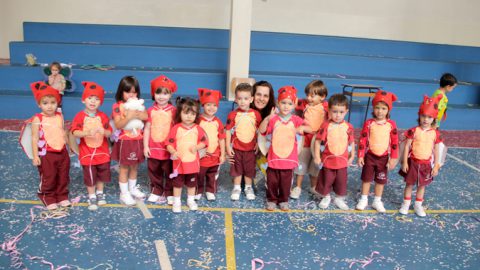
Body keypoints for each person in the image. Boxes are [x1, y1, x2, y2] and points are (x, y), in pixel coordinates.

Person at [259, 86, 310, 211]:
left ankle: (283, 200)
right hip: (274, 157)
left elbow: (310, 129)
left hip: (289, 159)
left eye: (289, 103)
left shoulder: (296, 120)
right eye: (283, 103)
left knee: (286, 182)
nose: (286, 106)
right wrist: (267, 118)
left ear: (294, 105)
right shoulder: (274, 119)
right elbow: (262, 131)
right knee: (271, 181)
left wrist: (301, 129)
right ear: (277, 103)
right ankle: (271, 199)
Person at [399, 94, 444, 217]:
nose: (426, 119)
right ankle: (406, 204)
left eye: (429, 117)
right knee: (409, 184)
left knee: (422, 186)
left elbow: (436, 150)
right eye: (423, 116)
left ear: (433, 119)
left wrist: (436, 165)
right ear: (419, 116)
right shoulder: (414, 131)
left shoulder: (435, 133)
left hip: (426, 164)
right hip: (413, 162)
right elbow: (407, 146)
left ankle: (418, 205)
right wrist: (404, 162)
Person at [29, 81, 70, 210]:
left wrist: (69, 147)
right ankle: (48, 196)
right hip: (47, 154)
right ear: (39, 104)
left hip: (62, 152)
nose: (49, 106)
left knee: (63, 176)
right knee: (49, 176)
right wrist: (35, 156)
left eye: (53, 103)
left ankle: (62, 196)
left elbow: (63, 132)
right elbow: (34, 137)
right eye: (45, 103)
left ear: (57, 103)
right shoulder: (38, 119)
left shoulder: (60, 116)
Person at [355, 90, 399, 213]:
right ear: (373, 108)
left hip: (384, 158)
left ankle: (377, 200)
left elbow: (394, 143)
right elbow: (363, 140)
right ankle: (364, 199)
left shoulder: (391, 124)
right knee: (366, 178)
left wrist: (394, 158)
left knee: (380, 180)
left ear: (388, 110)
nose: (380, 111)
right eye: (377, 108)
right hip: (370, 156)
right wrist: (360, 156)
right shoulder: (369, 123)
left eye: (384, 108)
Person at [71, 82, 112, 211]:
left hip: (102, 152)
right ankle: (92, 195)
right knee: (90, 175)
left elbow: (109, 132)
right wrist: (86, 133)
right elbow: (74, 132)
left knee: (101, 174)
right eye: (90, 98)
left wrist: (103, 131)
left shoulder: (103, 116)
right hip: (87, 153)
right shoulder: (80, 116)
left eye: (97, 99)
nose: (93, 102)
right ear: (83, 100)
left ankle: (100, 193)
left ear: (100, 102)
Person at [166, 98, 208, 213]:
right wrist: (173, 152)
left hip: (192, 164)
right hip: (178, 164)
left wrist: (197, 147)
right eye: (186, 113)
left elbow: (204, 142)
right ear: (180, 113)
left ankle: (190, 200)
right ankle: (177, 202)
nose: (189, 116)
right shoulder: (176, 128)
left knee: (191, 184)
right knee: (177, 184)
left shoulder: (198, 129)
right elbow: (169, 144)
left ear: (196, 115)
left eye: (192, 114)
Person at [111, 76, 148, 206]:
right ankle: (124, 193)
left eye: (134, 92)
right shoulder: (117, 106)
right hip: (125, 141)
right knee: (124, 168)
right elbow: (119, 124)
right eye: (127, 92)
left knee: (135, 166)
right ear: (121, 92)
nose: (131, 95)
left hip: (138, 139)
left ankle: (132, 188)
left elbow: (145, 116)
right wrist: (130, 116)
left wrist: (136, 113)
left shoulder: (139, 104)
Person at [314, 94, 355, 210]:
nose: (338, 115)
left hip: (342, 162)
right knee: (326, 180)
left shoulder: (349, 127)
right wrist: (317, 156)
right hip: (328, 161)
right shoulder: (326, 125)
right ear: (329, 111)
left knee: (341, 182)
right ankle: (325, 196)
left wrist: (352, 156)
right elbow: (317, 142)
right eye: (335, 111)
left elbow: (351, 143)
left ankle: (338, 198)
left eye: (341, 112)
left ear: (346, 111)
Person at [291, 80, 329, 199]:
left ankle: (314, 187)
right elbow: (293, 103)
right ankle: (298, 186)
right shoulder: (304, 104)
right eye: (307, 95)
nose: (309, 98)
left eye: (312, 96)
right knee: (301, 163)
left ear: (322, 97)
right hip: (306, 140)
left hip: (318, 141)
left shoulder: (326, 107)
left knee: (315, 166)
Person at [144, 75, 177, 205]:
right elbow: (146, 129)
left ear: (170, 95)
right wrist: (146, 146)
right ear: (153, 94)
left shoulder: (174, 111)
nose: (161, 96)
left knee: (169, 171)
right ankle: (156, 190)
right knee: (154, 171)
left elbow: (176, 131)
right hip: (153, 147)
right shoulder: (150, 110)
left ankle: (169, 192)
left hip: (168, 149)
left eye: (165, 93)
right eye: (158, 93)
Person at [226, 83, 262, 201]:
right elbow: (227, 131)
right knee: (237, 168)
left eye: (246, 98)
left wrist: (258, 143)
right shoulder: (233, 114)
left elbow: (259, 130)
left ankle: (248, 187)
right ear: (236, 99)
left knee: (249, 169)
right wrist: (227, 146)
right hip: (236, 148)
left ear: (251, 99)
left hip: (250, 149)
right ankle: (236, 187)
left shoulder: (256, 114)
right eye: (239, 98)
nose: (242, 101)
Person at [195, 88, 225, 201]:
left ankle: (210, 190)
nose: (211, 108)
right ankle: (198, 190)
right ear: (203, 105)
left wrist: (222, 154)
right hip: (202, 155)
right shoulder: (198, 121)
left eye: (214, 105)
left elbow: (221, 139)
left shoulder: (218, 122)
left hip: (214, 155)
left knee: (212, 175)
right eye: (208, 105)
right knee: (199, 174)